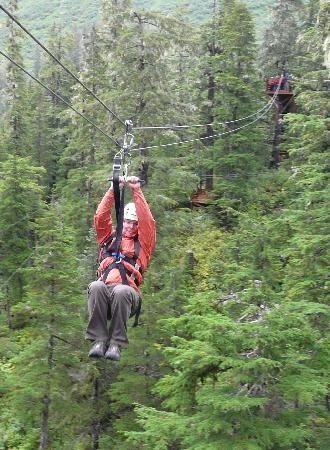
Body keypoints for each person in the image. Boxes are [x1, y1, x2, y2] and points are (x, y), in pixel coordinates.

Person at [86, 175, 156, 360]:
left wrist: (136, 190)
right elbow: (100, 217)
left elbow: (148, 222)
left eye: (134, 223)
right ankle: (99, 340)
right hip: (104, 295)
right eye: (127, 221)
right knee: (96, 286)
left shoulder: (143, 245)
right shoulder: (108, 239)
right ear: (121, 220)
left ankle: (116, 344)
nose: (129, 226)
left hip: (127, 296)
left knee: (121, 291)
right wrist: (113, 189)